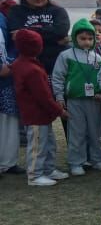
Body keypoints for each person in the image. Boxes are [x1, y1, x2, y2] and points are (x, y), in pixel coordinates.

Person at [53, 18, 101, 175]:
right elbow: (58, 77)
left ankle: (97, 159)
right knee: (76, 131)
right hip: (74, 100)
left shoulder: (97, 58)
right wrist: (59, 98)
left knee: (95, 131)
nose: (87, 42)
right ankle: (76, 162)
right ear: (75, 37)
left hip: (93, 100)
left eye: (90, 38)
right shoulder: (66, 56)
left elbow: (100, 79)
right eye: (83, 38)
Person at [13, 30, 67, 185]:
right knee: (38, 145)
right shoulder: (32, 70)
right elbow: (43, 96)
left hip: (41, 115)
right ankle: (35, 175)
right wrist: (59, 110)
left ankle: (48, 169)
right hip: (36, 115)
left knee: (48, 143)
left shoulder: (20, 64)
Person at [7, 0, 70, 75]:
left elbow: (61, 30)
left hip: (58, 65)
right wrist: (54, 39)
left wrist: (28, 32)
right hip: (31, 67)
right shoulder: (15, 12)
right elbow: (19, 38)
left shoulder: (58, 11)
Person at [0, 0, 22, 177]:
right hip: (5, 80)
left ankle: (8, 162)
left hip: (7, 80)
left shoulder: (6, 21)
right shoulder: (3, 21)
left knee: (8, 121)